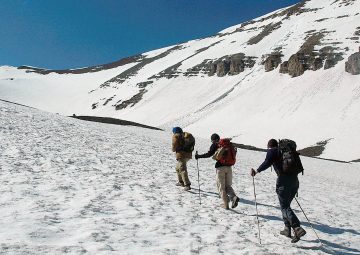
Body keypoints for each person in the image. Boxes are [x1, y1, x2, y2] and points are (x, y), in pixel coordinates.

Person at [250, 139, 306, 243]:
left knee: (285, 206)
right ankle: (287, 229)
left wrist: (257, 171)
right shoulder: (287, 152)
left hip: (283, 181)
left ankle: (297, 228)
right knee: (285, 206)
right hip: (295, 181)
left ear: (269, 145)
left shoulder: (273, 151)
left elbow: (267, 162)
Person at [195, 133, 240, 210]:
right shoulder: (228, 145)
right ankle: (233, 197)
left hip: (220, 168)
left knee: (221, 187)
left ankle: (226, 205)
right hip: (229, 167)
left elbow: (209, 154)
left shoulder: (216, 145)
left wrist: (199, 156)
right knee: (228, 186)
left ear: (213, 140)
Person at [172, 127, 192, 191]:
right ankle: (181, 182)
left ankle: (187, 185)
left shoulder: (176, 136)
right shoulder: (186, 136)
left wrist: (173, 149)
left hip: (181, 155)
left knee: (182, 169)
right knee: (178, 168)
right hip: (188, 155)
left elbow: (174, 145)